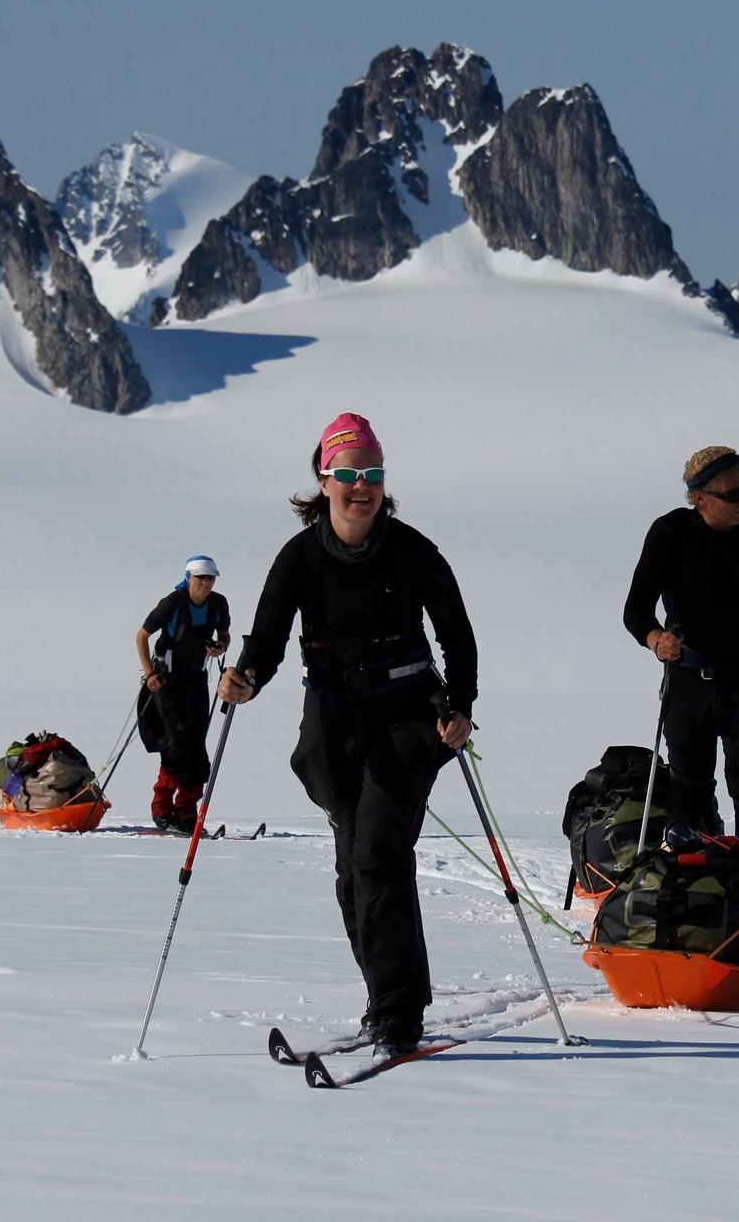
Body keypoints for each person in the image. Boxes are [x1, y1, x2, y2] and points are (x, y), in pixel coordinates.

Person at [218, 413, 476, 1057]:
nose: (362, 487)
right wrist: (245, 677)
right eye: (349, 474)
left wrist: (461, 703)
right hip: (333, 727)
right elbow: (269, 640)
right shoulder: (300, 556)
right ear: (324, 479)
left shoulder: (413, 550)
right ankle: (385, 999)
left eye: (372, 474)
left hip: (411, 719)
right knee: (349, 872)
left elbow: (458, 634)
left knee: (378, 857)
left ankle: (398, 1012)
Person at [622, 445, 739, 848]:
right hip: (688, 677)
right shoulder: (671, 533)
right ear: (700, 498)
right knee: (689, 782)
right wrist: (657, 641)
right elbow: (636, 610)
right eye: (732, 494)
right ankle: (689, 881)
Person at [136, 555, 231, 831]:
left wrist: (220, 647)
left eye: (210, 578)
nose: (206, 583)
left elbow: (224, 634)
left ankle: (187, 810)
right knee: (175, 744)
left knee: (195, 745)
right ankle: (163, 808)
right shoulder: (172, 603)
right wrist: (150, 673)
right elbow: (142, 635)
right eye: (201, 577)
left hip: (197, 679)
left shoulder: (218, 604)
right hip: (167, 681)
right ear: (189, 578)